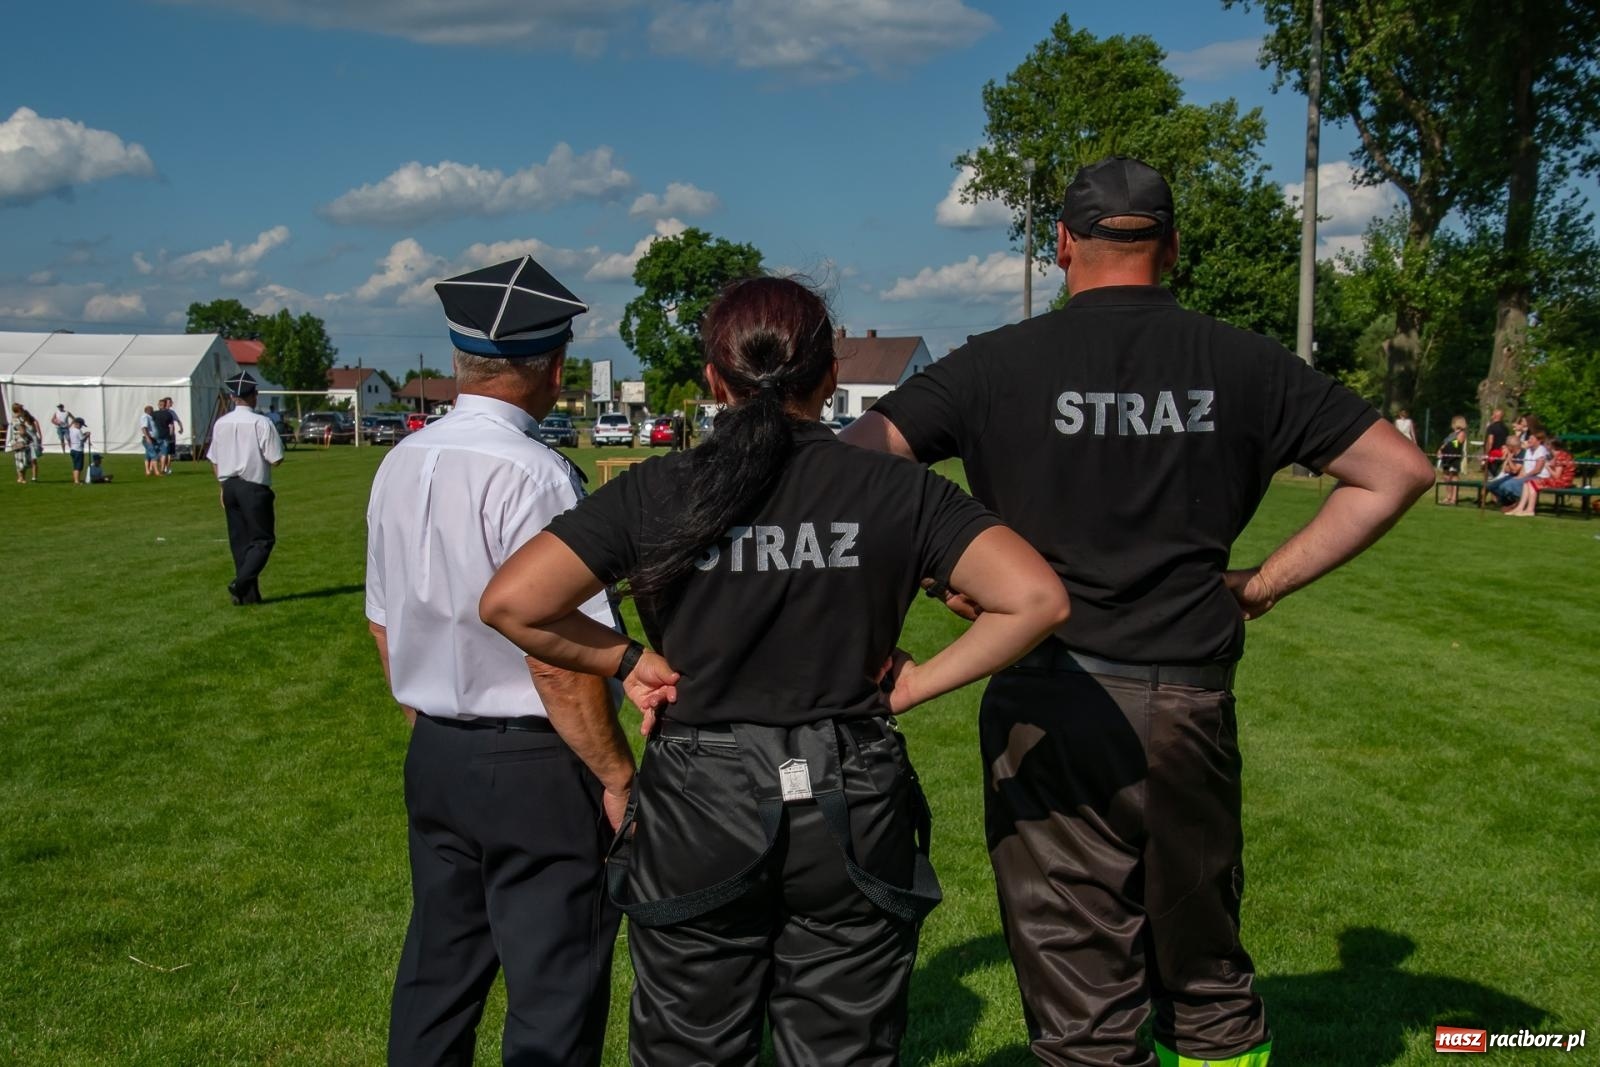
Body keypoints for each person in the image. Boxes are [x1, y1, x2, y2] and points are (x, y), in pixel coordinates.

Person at [842, 156, 1435, 1067]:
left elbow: (856, 467)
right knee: (1206, 978)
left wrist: (947, 575)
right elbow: (1397, 470)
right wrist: (1264, 582)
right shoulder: (1241, 359)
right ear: (1174, 247)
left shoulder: (996, 364)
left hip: (1049, 698)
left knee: (1083, 1001)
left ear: (1064, 244)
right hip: (1187, 698)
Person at [480, 275, 1070, 1067]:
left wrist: (627, 658)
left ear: (714, 381)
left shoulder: (660, 488)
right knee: (843, 1046)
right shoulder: (897, 488)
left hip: (700, 799)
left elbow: (513, 603)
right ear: (828, 377)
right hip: (851, 795)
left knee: (691, 1044)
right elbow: (1035, 599)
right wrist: (915, 682)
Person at [367, 256, 629, 1067]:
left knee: (438, 975)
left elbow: (383, 621)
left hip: (436, 745)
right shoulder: (535, 471)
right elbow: (560, 654)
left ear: (459, 361)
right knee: (554, 986)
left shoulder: (399, 460)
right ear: (553, 366)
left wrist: (433, 720)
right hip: (536, 754)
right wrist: (617, 775)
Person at [206, 373, 283, 604]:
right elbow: (276, 458)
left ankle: (248, 596)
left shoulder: (221, 423)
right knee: (262, 540)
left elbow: (214, 458)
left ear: (232, 397)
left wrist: (222, 485)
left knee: (240, 542)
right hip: (253, 485)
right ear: (254, 396)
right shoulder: (261, 423)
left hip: (229, 484)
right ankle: (240, 583)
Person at [1505, 435, 1573, 517]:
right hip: (1558, 480)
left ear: (1551, 446)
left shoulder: (1561, 456)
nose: (1544, 447)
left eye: (1546, 445)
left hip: (1563, 482)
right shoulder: (1556, 456)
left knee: (1533, 483)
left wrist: (1547, 467)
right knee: (1527, 482)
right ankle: (1520, 508)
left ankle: (1530, 509)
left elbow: (1557, 476)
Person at [1496, 429, 1550, 511]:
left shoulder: (1541, 450)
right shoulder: (1528, 451)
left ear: (1539, 441)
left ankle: (1519, 504)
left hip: (1539, 477)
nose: (1529, 440)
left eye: (1531, 439)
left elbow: (1537, 470)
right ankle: (1517, 503)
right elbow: (1525, 466)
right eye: (1529, 438)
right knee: (1504, 485)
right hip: (1527, 476)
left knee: (1509, 485)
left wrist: (1524, 476)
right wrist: (1520, 475)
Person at [1436, 415, 1468, 505]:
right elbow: (1444, 443)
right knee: (1446, 477)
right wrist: (1441, 449)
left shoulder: (1461, 433)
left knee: (1453, 477)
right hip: (1446, 458)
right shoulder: (1451, 434)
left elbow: (1457, 444)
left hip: (1454, 458)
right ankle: (1448, 496)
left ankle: (1453, 498)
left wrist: (1447, 445)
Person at [152, 397, 183, 475]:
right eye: (169, 402)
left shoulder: (171, 412)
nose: (170, 404)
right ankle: (162, 468)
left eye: (170, 402)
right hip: (164, 435)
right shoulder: (166, 413)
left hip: (166, 435)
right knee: (163, 452)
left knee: (168, 453)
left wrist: (180, 428)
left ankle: (165, 468)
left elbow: (176, 421)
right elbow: (171, 425)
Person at [7, 404, 30, 484]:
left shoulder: (19, 419)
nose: (23, 410)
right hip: (19, 442)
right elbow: (22, 432)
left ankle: (22, 478)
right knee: (21, 459)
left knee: (22, 459)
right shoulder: (16, 420)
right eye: (21, 409)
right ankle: (20, 478)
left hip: (21, 441)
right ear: (18, 410)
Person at [1482, 408, 1508, 476]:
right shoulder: (1505, 428)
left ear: (1495, 416)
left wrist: (1486, 454)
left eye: (1492, 414)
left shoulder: (1491, 427)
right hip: (1502, 453)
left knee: (1490, 474)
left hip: (1493, 454)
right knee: (1498, 473)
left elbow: (1490, 442)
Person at [66, 417, 90, 486]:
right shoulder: (78, 431)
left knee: (75, 466)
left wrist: (84, 434)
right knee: (78, 466)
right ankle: (76, 481)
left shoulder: (71, 430)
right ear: (77, 424)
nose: (81, 426)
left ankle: (76, 479)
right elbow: (82, 439)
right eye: (81, 425)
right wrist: (87, 435)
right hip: (78, 450)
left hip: (73, 449)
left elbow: (78, 437)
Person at [140, 405, 159, 477]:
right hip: (148, 438)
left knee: (148, 455)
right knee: (154, 455)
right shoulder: (145, 417)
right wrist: (148, 438)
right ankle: (156, 471)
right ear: (148, 411)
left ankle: (148, 471)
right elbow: (144, 428)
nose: (153, 411)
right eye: (152, 410)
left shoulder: (150, 417)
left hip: (153, 438)